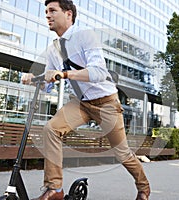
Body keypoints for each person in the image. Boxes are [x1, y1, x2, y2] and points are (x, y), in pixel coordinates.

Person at [22, 0, 150, 199]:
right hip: (82, 103)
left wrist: (64, 75)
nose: (47, 15)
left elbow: (99, 72)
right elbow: (49, 83)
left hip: (106, 102)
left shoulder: (85, 36)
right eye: (46, 11)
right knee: (51, 129)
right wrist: (34, 79)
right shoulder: (53, 48)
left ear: (68, 14)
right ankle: (54, 189)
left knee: (122, 152)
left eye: (52, 10)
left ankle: (143, 188)